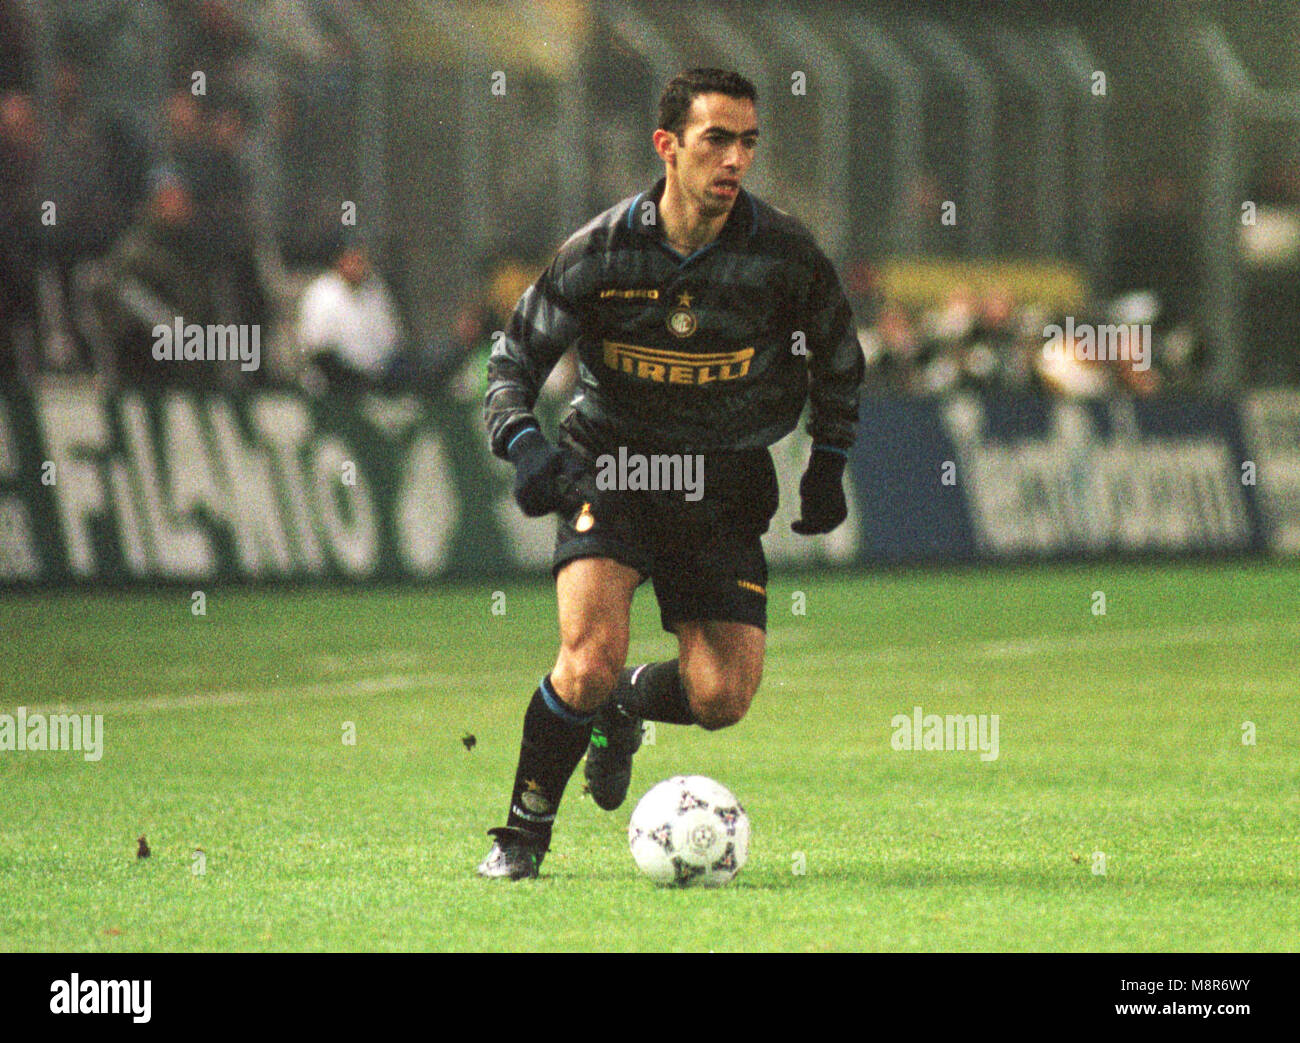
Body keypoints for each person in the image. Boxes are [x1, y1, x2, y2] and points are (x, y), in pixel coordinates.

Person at [478, 69, 865, 879]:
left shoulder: (783, 253)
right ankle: (521, 838)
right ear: (668, 146)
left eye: (748, 142)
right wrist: (523, 442)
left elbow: (837, 356)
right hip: (611, 467)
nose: (734, 160)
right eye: (716, 139)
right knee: (585, 659)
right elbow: (513, 357)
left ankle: (625, 702)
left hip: (721, 482)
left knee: (722, 697)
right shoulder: (600, 251)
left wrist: (828, 460)